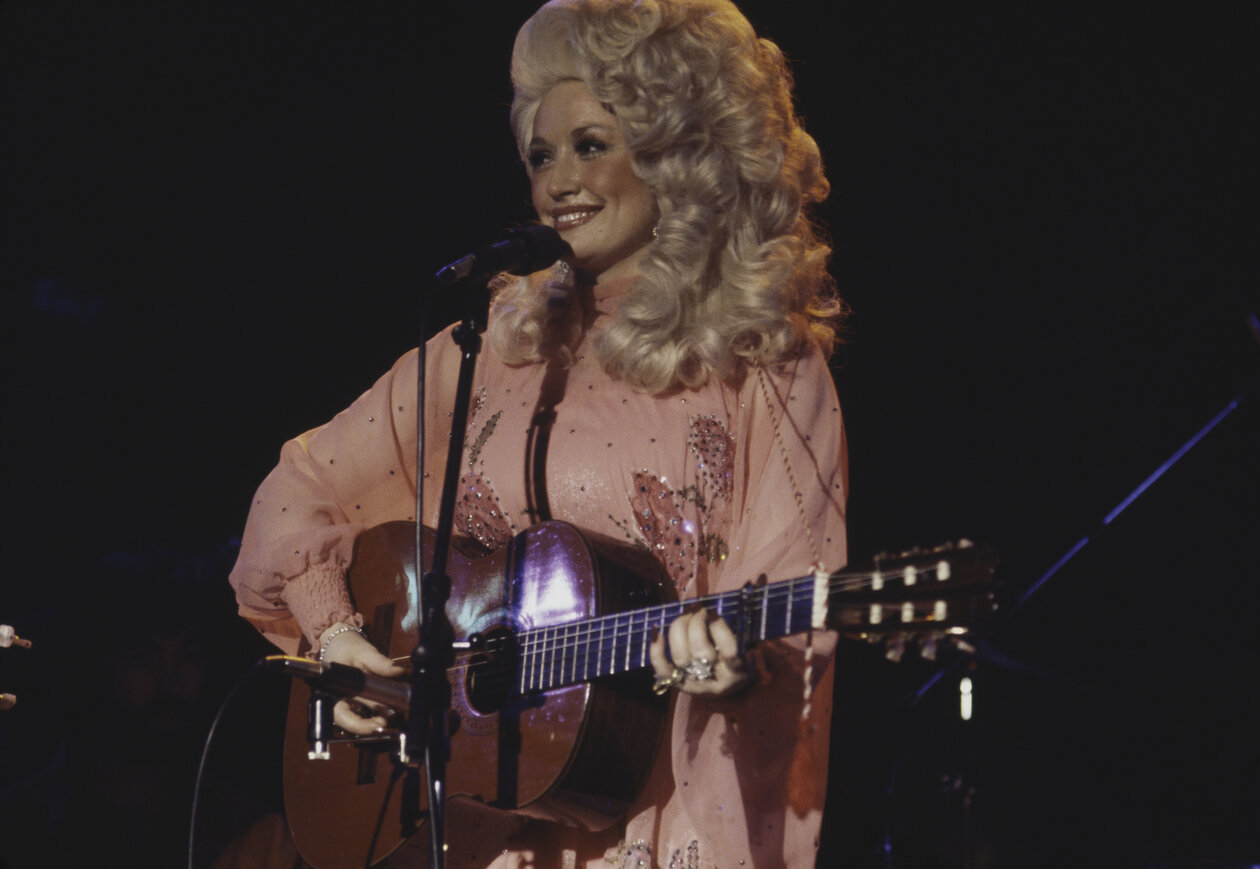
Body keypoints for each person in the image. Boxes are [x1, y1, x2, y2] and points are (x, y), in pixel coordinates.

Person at [229, 0, 847, 866]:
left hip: (653, 808)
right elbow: (303, 484)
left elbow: (791, 593)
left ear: (675, 150)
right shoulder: (493, 345)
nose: (559, 179)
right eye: (540, 154)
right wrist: (340, 645)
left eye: (591, 144)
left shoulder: (760, 361)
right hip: (474, 827)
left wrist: (731, 665)